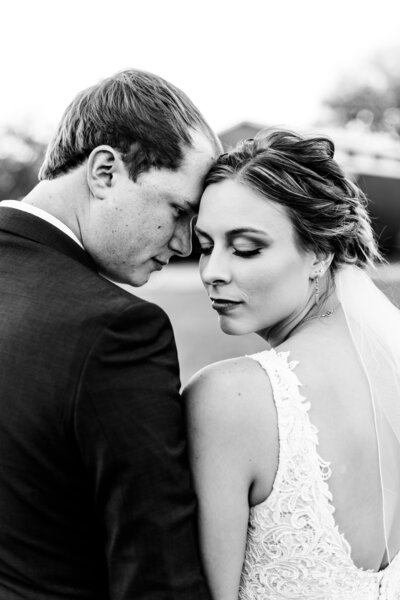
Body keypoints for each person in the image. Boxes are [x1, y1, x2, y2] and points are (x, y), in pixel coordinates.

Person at [0, 69, 221, 599]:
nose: (189, 243)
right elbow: (157, 576)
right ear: (105, 171)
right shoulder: (114, 329)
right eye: (180, 210)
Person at [184, 128, 400, 599]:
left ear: (319, 253)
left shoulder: (231, 398)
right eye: (205, 246)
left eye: (245, 248)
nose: (211, 272)